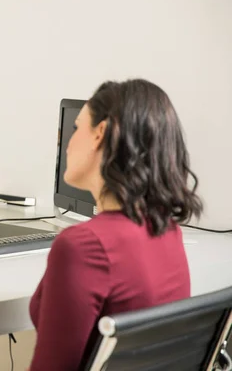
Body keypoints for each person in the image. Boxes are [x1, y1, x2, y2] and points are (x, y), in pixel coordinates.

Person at [28, 79, 203, 371]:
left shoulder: (83, 246)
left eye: (75, 128)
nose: (66, 144)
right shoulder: (167, 231)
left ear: (101, 133)